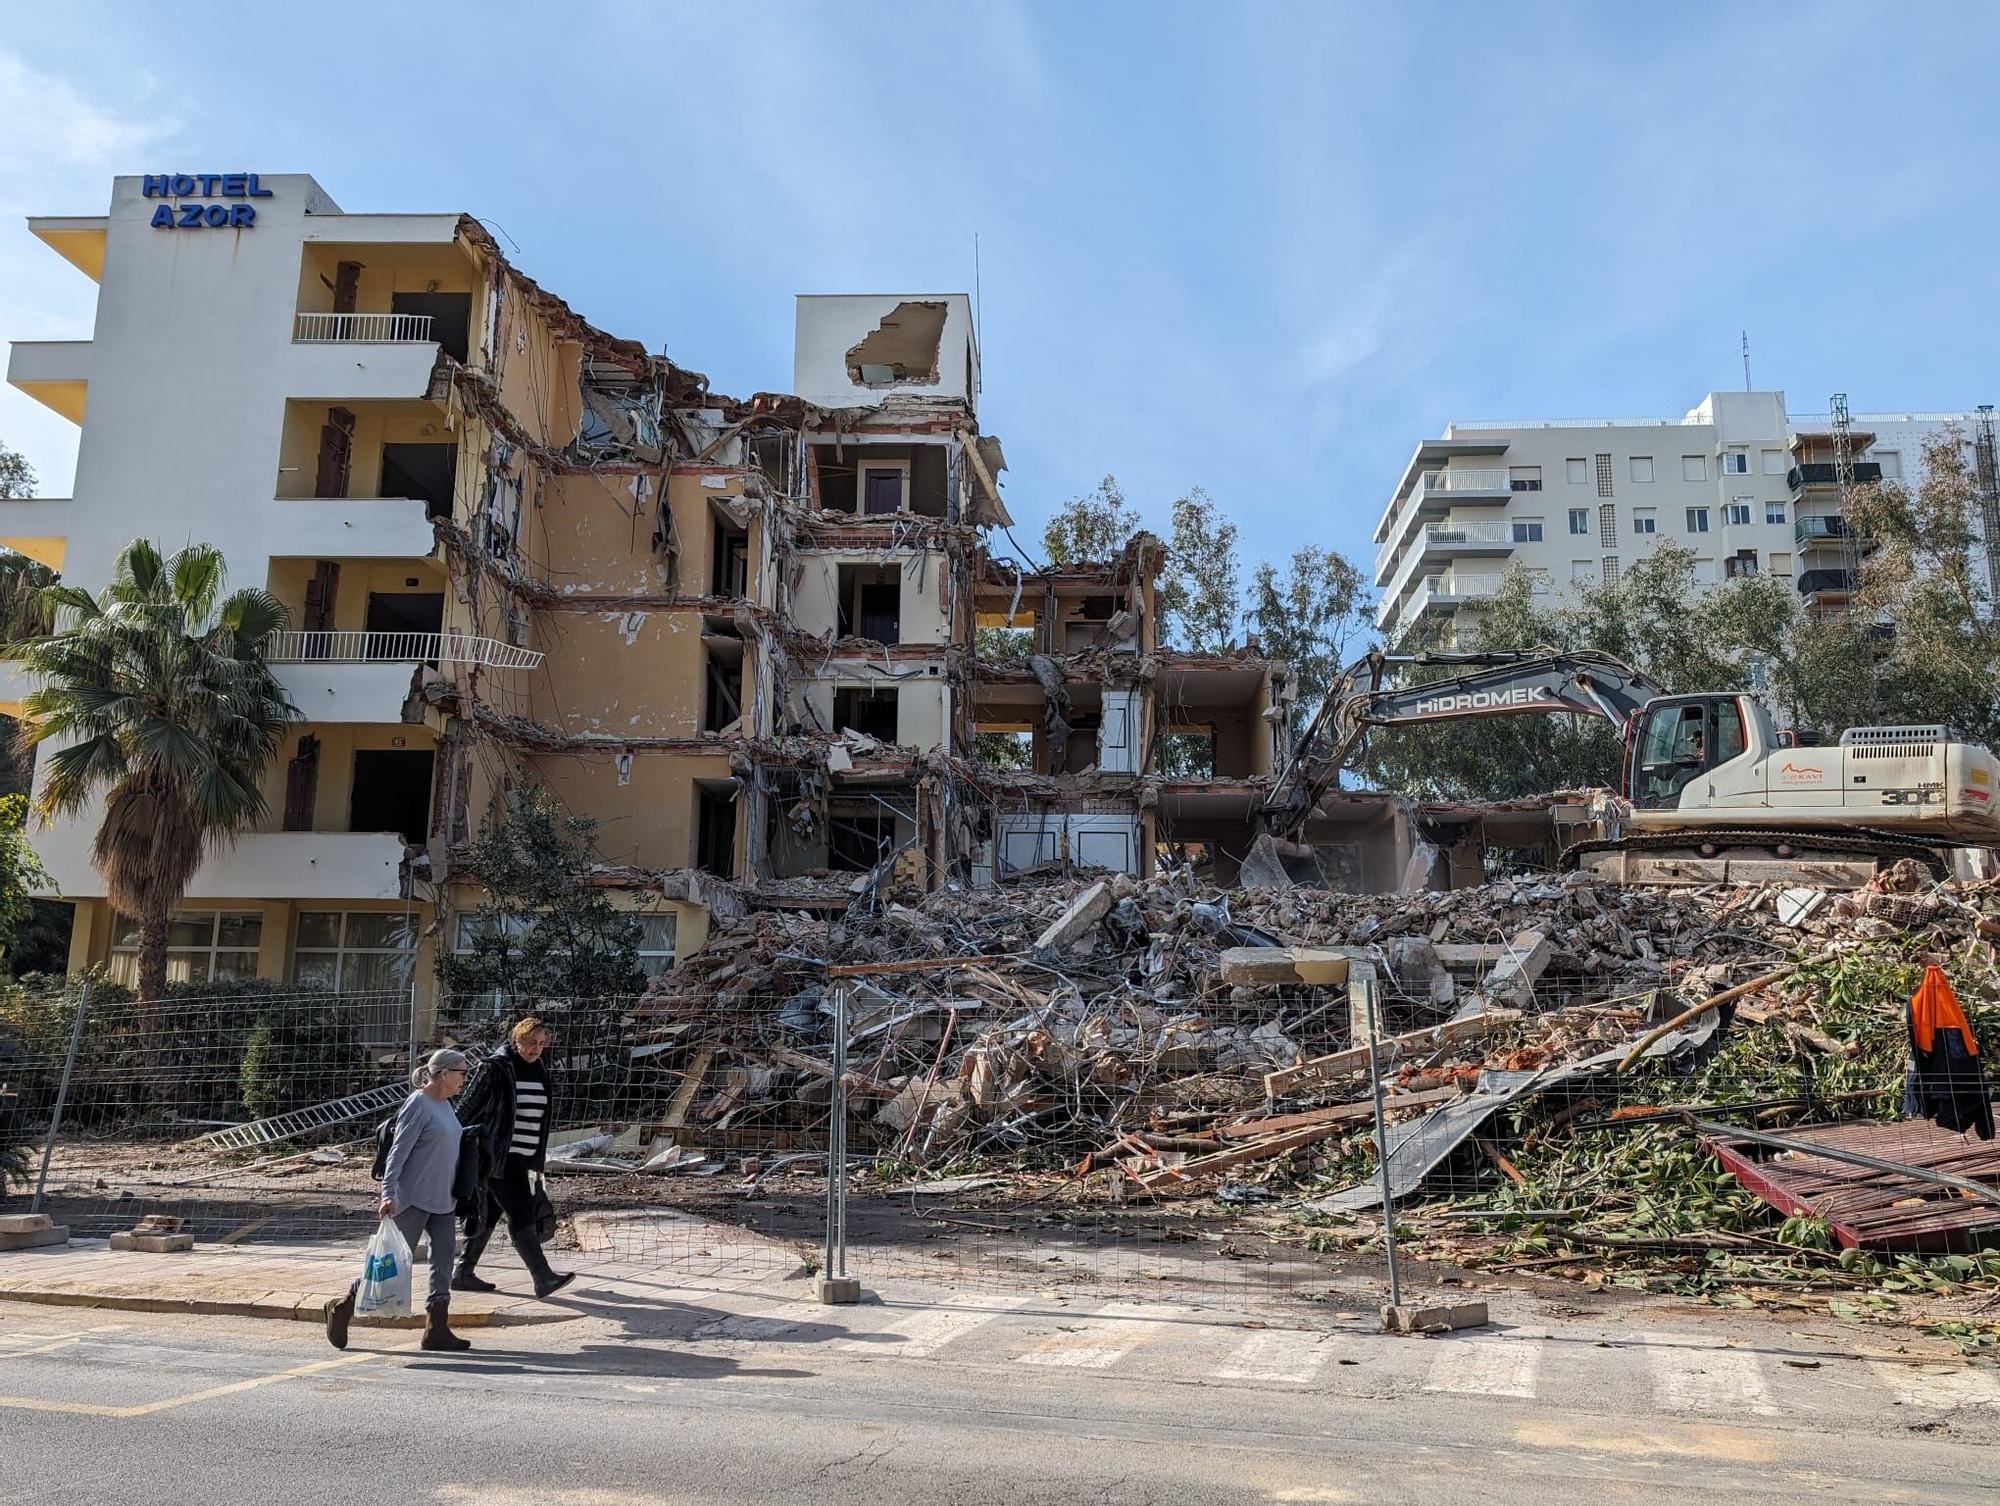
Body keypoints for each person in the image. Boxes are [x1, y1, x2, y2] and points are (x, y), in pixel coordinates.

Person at [325, 1048, 473, 1353]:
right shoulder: (418, 1104)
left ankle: (437, 1330)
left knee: (443, 1264)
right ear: (444, 1073)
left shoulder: (446, 1104)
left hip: (444, 1199)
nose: (465, 1079)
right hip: (412, 1199)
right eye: (462, 1072)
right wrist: (388, 1194)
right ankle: (343, 1306)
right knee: (389, 1265)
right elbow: (398, 1153)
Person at [452, 1017, 575, 1299]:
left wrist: (537, 1160)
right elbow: (467, 1107)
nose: (536, 1049)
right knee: (520, 1212)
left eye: (542, 1044)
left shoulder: (539, 1068)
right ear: (516, 1039)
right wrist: (461, 1143)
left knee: (492, 1213)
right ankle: (542, 1277)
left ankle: (463, 1272)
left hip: (526, 1155)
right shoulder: (495, 1067)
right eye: (531, 1043)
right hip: (498, 1155)